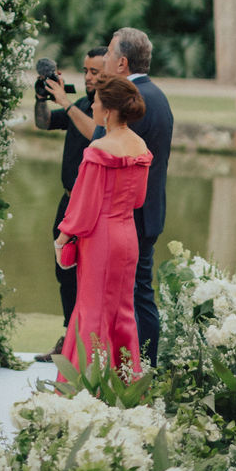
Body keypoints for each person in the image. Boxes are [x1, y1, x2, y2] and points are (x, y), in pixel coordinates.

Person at [55, 73, 152, 380]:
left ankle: (85, 389)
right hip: (127, 237)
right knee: (122, 312)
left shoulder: (99, 150)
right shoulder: (140, 146)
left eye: (95, 101)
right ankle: (124, 384)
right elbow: (138, 200)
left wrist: (61, 240)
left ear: (108, 110)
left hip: (101, 239)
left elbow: (83, 209)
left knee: (92, 313)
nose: (92, 105)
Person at [103, 26, 174, 365]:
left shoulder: (133, 102)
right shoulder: (158, 96)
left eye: (108, 53)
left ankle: (141, 367)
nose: (104, 58)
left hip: (129, 215)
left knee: (134, 296)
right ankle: (141, 366)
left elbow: (113, 156)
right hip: (149, 210)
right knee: (140, 293)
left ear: (122, 63)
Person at [33, 46, 106, 362]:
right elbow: (45, 123)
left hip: (93, 207)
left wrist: (66, 103)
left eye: (95, 72)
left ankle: (89, 345)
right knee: (63, 271)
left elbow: (99, 136)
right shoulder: (79, 104)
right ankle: (68, 336)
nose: (88, 78)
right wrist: (41, 97)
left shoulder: (112, 113)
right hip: (68, 200)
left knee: (89, 274)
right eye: (86, 71)